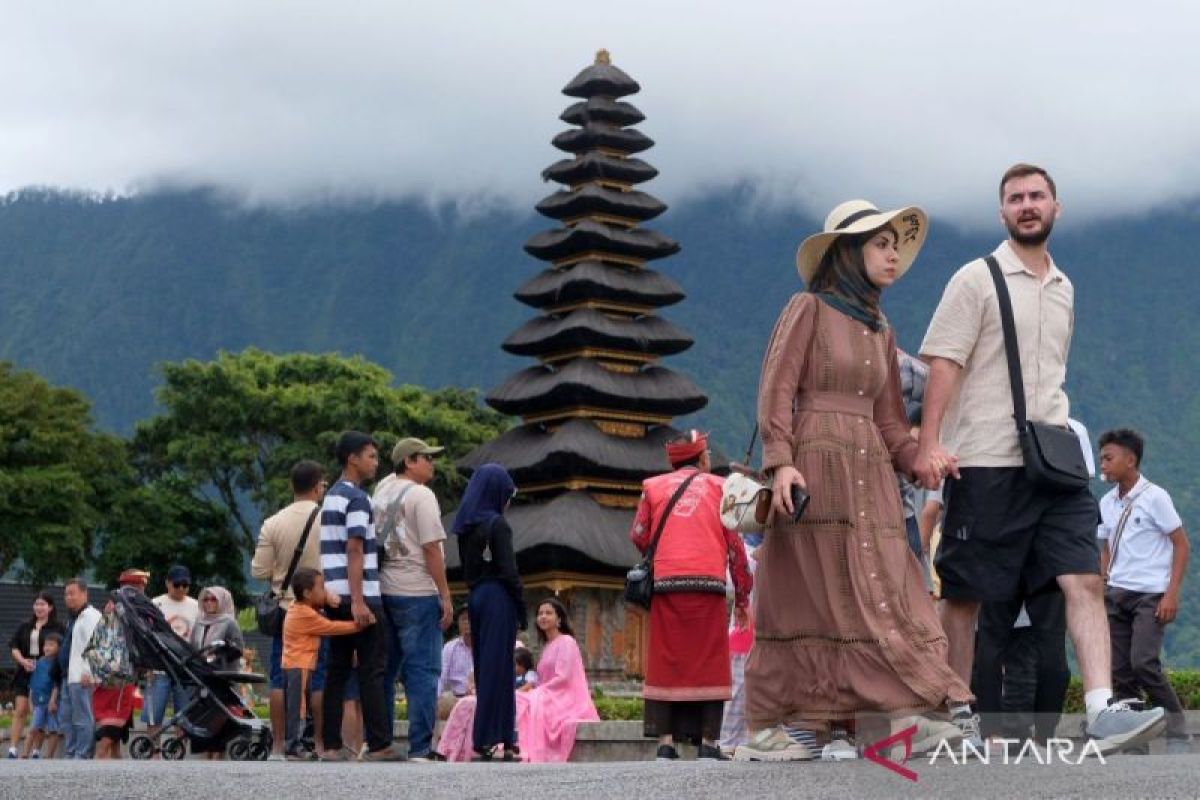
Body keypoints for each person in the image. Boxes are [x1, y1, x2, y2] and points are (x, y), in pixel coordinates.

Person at [917, 163, 1165, 752]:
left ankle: (1103, 708)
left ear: (1057, 207)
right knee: (965, 593)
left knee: (1082, 577)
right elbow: (944, 364)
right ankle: (959, 709)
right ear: (1002, 212)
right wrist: (929, 444)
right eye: (1015, 198)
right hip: (983, 459)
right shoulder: (974, 279)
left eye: (1037, 196)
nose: (1027, 205)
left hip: (1055, 463)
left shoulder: (1065, 287)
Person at [742, 199, 970, 762]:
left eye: (896, 246)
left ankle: (906, 713)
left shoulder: (879, 327)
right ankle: (767, 728)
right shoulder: (807, 308)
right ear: (849, 252)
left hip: (870, 475)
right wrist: (781, 461)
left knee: (889, 586)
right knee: (813, 599)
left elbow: (892, 421)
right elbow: (776, 388)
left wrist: (924, 459)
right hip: (814, 469)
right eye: (880, 244)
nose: (893, 256)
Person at [632, 430, 752, 762]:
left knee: (666, 661)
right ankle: (709, 743)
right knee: (709, 663)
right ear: (701, 458)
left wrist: (665, 552)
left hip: (668, 584)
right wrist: (742, 597)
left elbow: (639, 534)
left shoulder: (652, 488)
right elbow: (736, 550)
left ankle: (666, 741)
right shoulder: (721, 488)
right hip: (708, 585)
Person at [1097, 428, 1191, 754]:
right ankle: (1134, 738)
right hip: (1116, 593)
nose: (1103, 464)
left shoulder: (1156, 496)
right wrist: (1104, 578)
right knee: (1121, 671)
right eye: (1102, 458)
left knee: (1143, 662)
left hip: (1150, 594)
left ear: (1130, 459)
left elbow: (1181, 545)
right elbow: (1106, 543)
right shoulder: (1106, 502)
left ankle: (1179, 730)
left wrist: (1171, 593)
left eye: (1109, 458)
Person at [319, 431, 401, 761]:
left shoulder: (331, 497)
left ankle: (330, 745)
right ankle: (380, 743)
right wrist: (359, 600)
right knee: (372, 669)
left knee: (337, 669)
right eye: (370, 455)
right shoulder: (357, 499)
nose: (375, 462)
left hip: (334, 594)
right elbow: (355, 548)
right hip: (361, 594)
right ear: (352, 458)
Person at [375, 437, 454, 761]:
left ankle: (379, 740)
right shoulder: (421, 495)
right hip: (418, 591)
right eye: (426, 458)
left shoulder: (380, 493)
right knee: (423, 671)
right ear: (409, 461)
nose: (432, 463)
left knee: (387, 669)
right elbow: (431, 547)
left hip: (384, 589)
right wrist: (445, 594)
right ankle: (421, 746)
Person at [251, 459, 327, 759]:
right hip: (319, 608)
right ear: (318, 484)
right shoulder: (328, 519)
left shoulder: (273, 522)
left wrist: (280, 576)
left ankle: (280, 744)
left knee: (281, 676)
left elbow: (259, 571)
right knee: (317, 677)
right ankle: (319, 743)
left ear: (291, 485)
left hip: (285, 608)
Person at [452, 463, 525, 761]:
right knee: (500, 669)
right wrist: (521, 609)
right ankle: (491, 737)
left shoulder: (465, 527)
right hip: (498, 596)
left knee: (486, 667)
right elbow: (509, 571)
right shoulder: (498, 525)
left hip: (477, 597)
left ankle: (502, 737)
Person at [281, 568, 361, 760]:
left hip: (300, 665)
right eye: (321, 588)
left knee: (302, 704)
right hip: (298, 666)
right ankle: (293, 746)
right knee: (298, 706)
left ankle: (301, 744)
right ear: (308, 593)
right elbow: (331, 627)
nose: (325, 591)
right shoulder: (305, 614)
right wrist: (359, 624)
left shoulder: (301, 608)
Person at [514, 599, 599, 762]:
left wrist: (538, 692)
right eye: (540, 613)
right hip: (548, 693)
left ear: (559, 619)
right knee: (517, 698)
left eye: (548, 613)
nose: (543, 617)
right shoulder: (547, 646)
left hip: (564, 698)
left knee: (521, 700)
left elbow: (563, 677)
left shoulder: (567, 642)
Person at [94, 569, 150, 759]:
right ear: (138, 586)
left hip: (105, 671)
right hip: (122, 673)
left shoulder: (112, 606)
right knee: (113, 724)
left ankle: (116, 766)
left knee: (116, 730)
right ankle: (101, 762)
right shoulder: (131, 607)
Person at [144, 565, 199, 748]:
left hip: (185, 666)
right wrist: (148, 665)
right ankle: (154, 750)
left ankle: (177, 749)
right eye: (177, 584)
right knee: (155, 712)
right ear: (168, 583)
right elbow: (148, 635)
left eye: (185, 585)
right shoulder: (155, 603)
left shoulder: (195, 606)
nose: (181, 588)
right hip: (160, 664)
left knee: (184, 713)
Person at [7, 591, 64, 758]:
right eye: (36, 604)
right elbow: (14, 646)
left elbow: (60, 649)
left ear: (50, 607)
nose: (39, 607)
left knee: (40, 711)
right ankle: (12, 748)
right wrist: (23, 661)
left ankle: (36, 750)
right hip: (25, 671)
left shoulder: (58, 627)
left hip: (45, 674)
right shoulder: (25, 626)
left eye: (43, 604)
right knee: (21, 709)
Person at [58, 578, 100, 759]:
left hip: (82, 676)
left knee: (83, 718)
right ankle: (72, 752)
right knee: (67, 719)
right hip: (68, 675)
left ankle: (82, 755)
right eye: (66, 594)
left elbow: (96, 646)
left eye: (72, 593)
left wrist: (88, 672)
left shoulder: (91, 616)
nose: (69, 598)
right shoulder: (73, 617)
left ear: (84, 594)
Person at [23, 631, 64, 759]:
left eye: (51, 645)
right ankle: (24, 754)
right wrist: (30, 701)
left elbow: (57, 684)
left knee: (53, 729)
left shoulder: (58, 664)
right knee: (34, 728)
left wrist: (53, 700)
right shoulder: (38, 663)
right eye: (46, 645)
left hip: (52, 702)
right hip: (38, 702)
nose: (47, 647)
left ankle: (49, 756)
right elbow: (33, 683)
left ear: (59, 647)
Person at [438, 606, 473, 717]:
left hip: (481, 696)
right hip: (457, 698)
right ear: (458, 623)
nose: (468, 623)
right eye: (464, 619)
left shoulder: (487, 646)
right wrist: (436, 698)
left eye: (471, 618)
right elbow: (441, 677)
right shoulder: (450, 647)